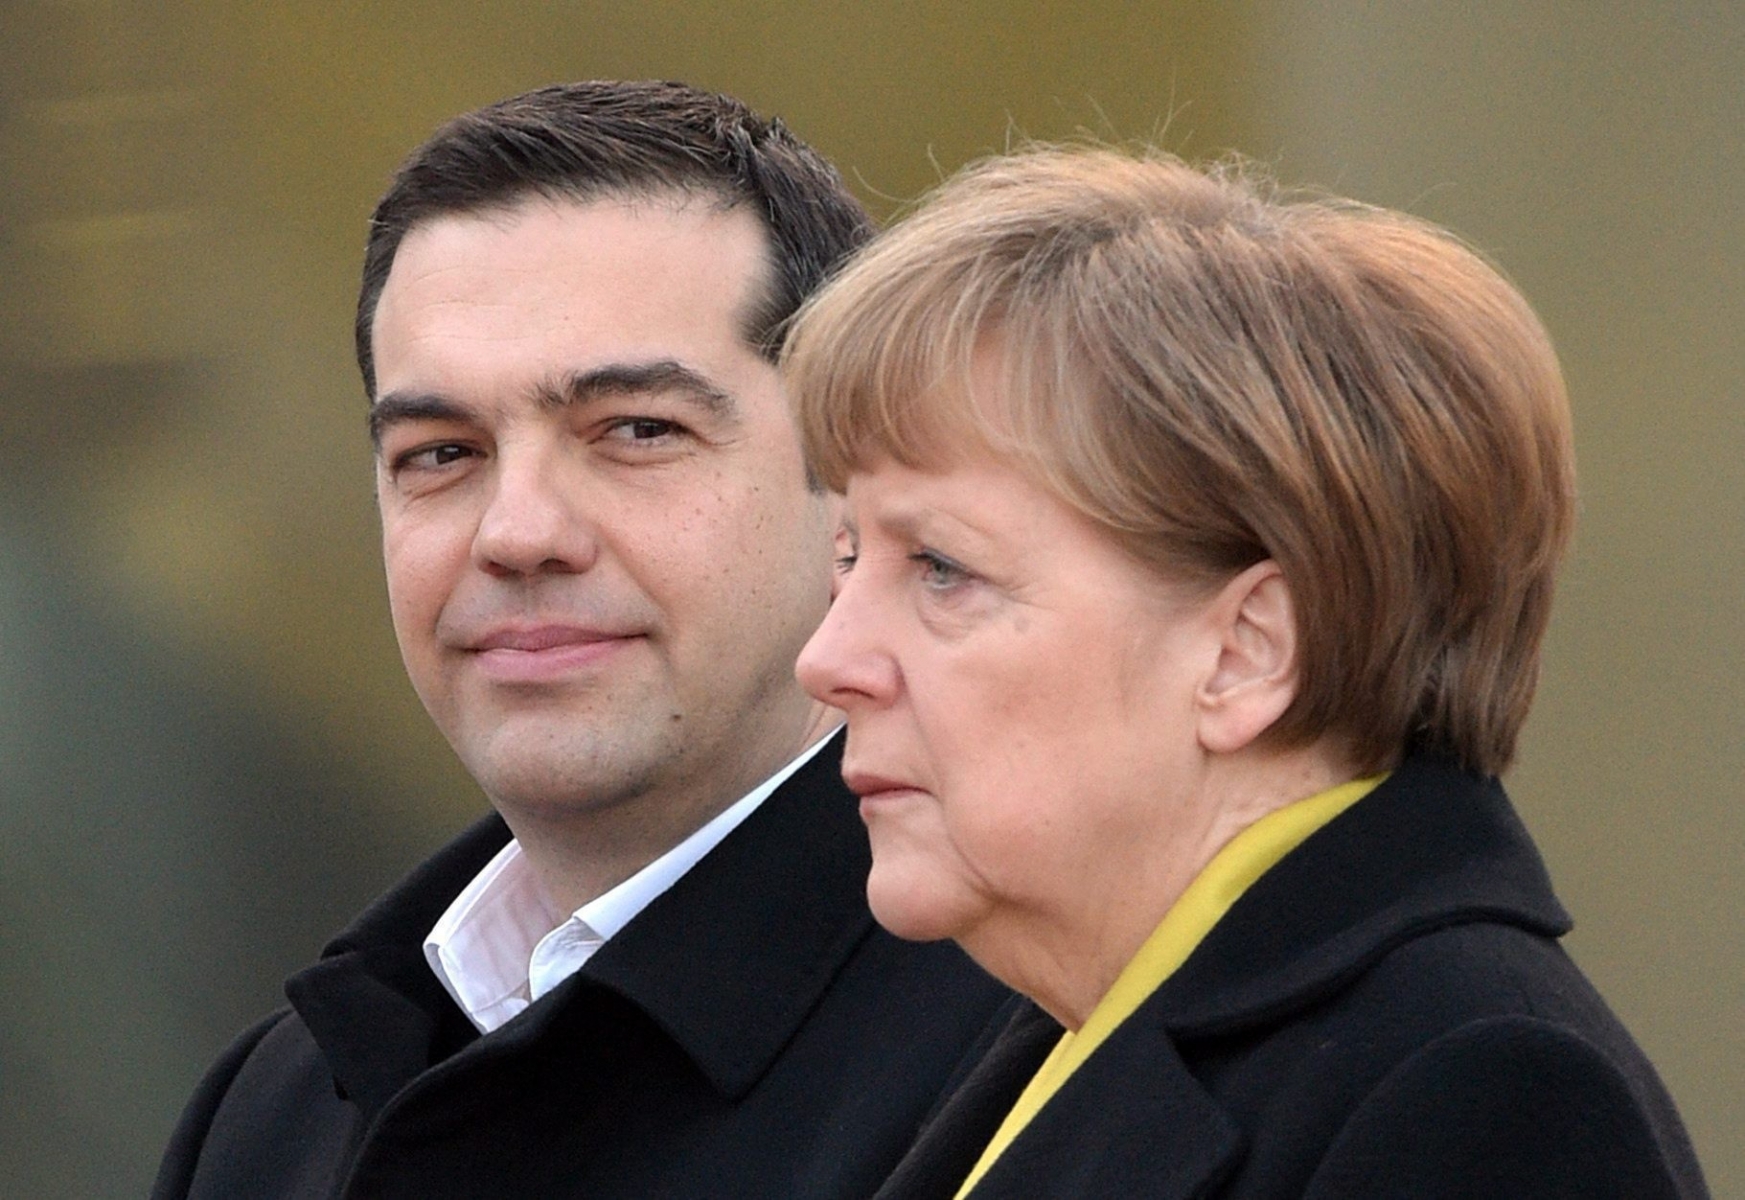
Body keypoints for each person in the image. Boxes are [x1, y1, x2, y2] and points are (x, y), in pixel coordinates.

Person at [784, 146, 1709, 1198]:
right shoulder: (1063, 1030)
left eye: (941, 569)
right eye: (852, 556)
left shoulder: (1481, 1097)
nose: (830, 658)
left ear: (1244, 652)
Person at [153, 81, 1015, 1199]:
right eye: (440, 452)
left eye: (635, 431)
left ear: (849, 487)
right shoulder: (272, 1117)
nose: (518, 533)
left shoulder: (1037, 1051)